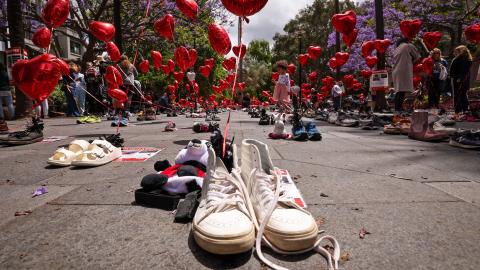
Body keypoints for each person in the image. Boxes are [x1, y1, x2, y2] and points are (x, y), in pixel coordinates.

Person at [392, 38, 421, 114]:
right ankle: (398, 109)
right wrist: (412, 62)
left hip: (396, 71)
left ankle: (398, 108)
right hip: (404, 70)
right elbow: (418, 57)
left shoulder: (397, 49)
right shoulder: (408, 45)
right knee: (401, 91)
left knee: (399, 90)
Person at [450, 45, 473, 115]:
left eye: (456, 51)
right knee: (463, 94)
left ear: (460, 51)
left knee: (458, 94)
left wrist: (458, 78)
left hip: (458, 79)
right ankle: (465, 109)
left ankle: (459, 110)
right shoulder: (467, 59)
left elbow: (462, 70)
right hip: (464, 79)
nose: (454, 52)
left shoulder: (460, 59)